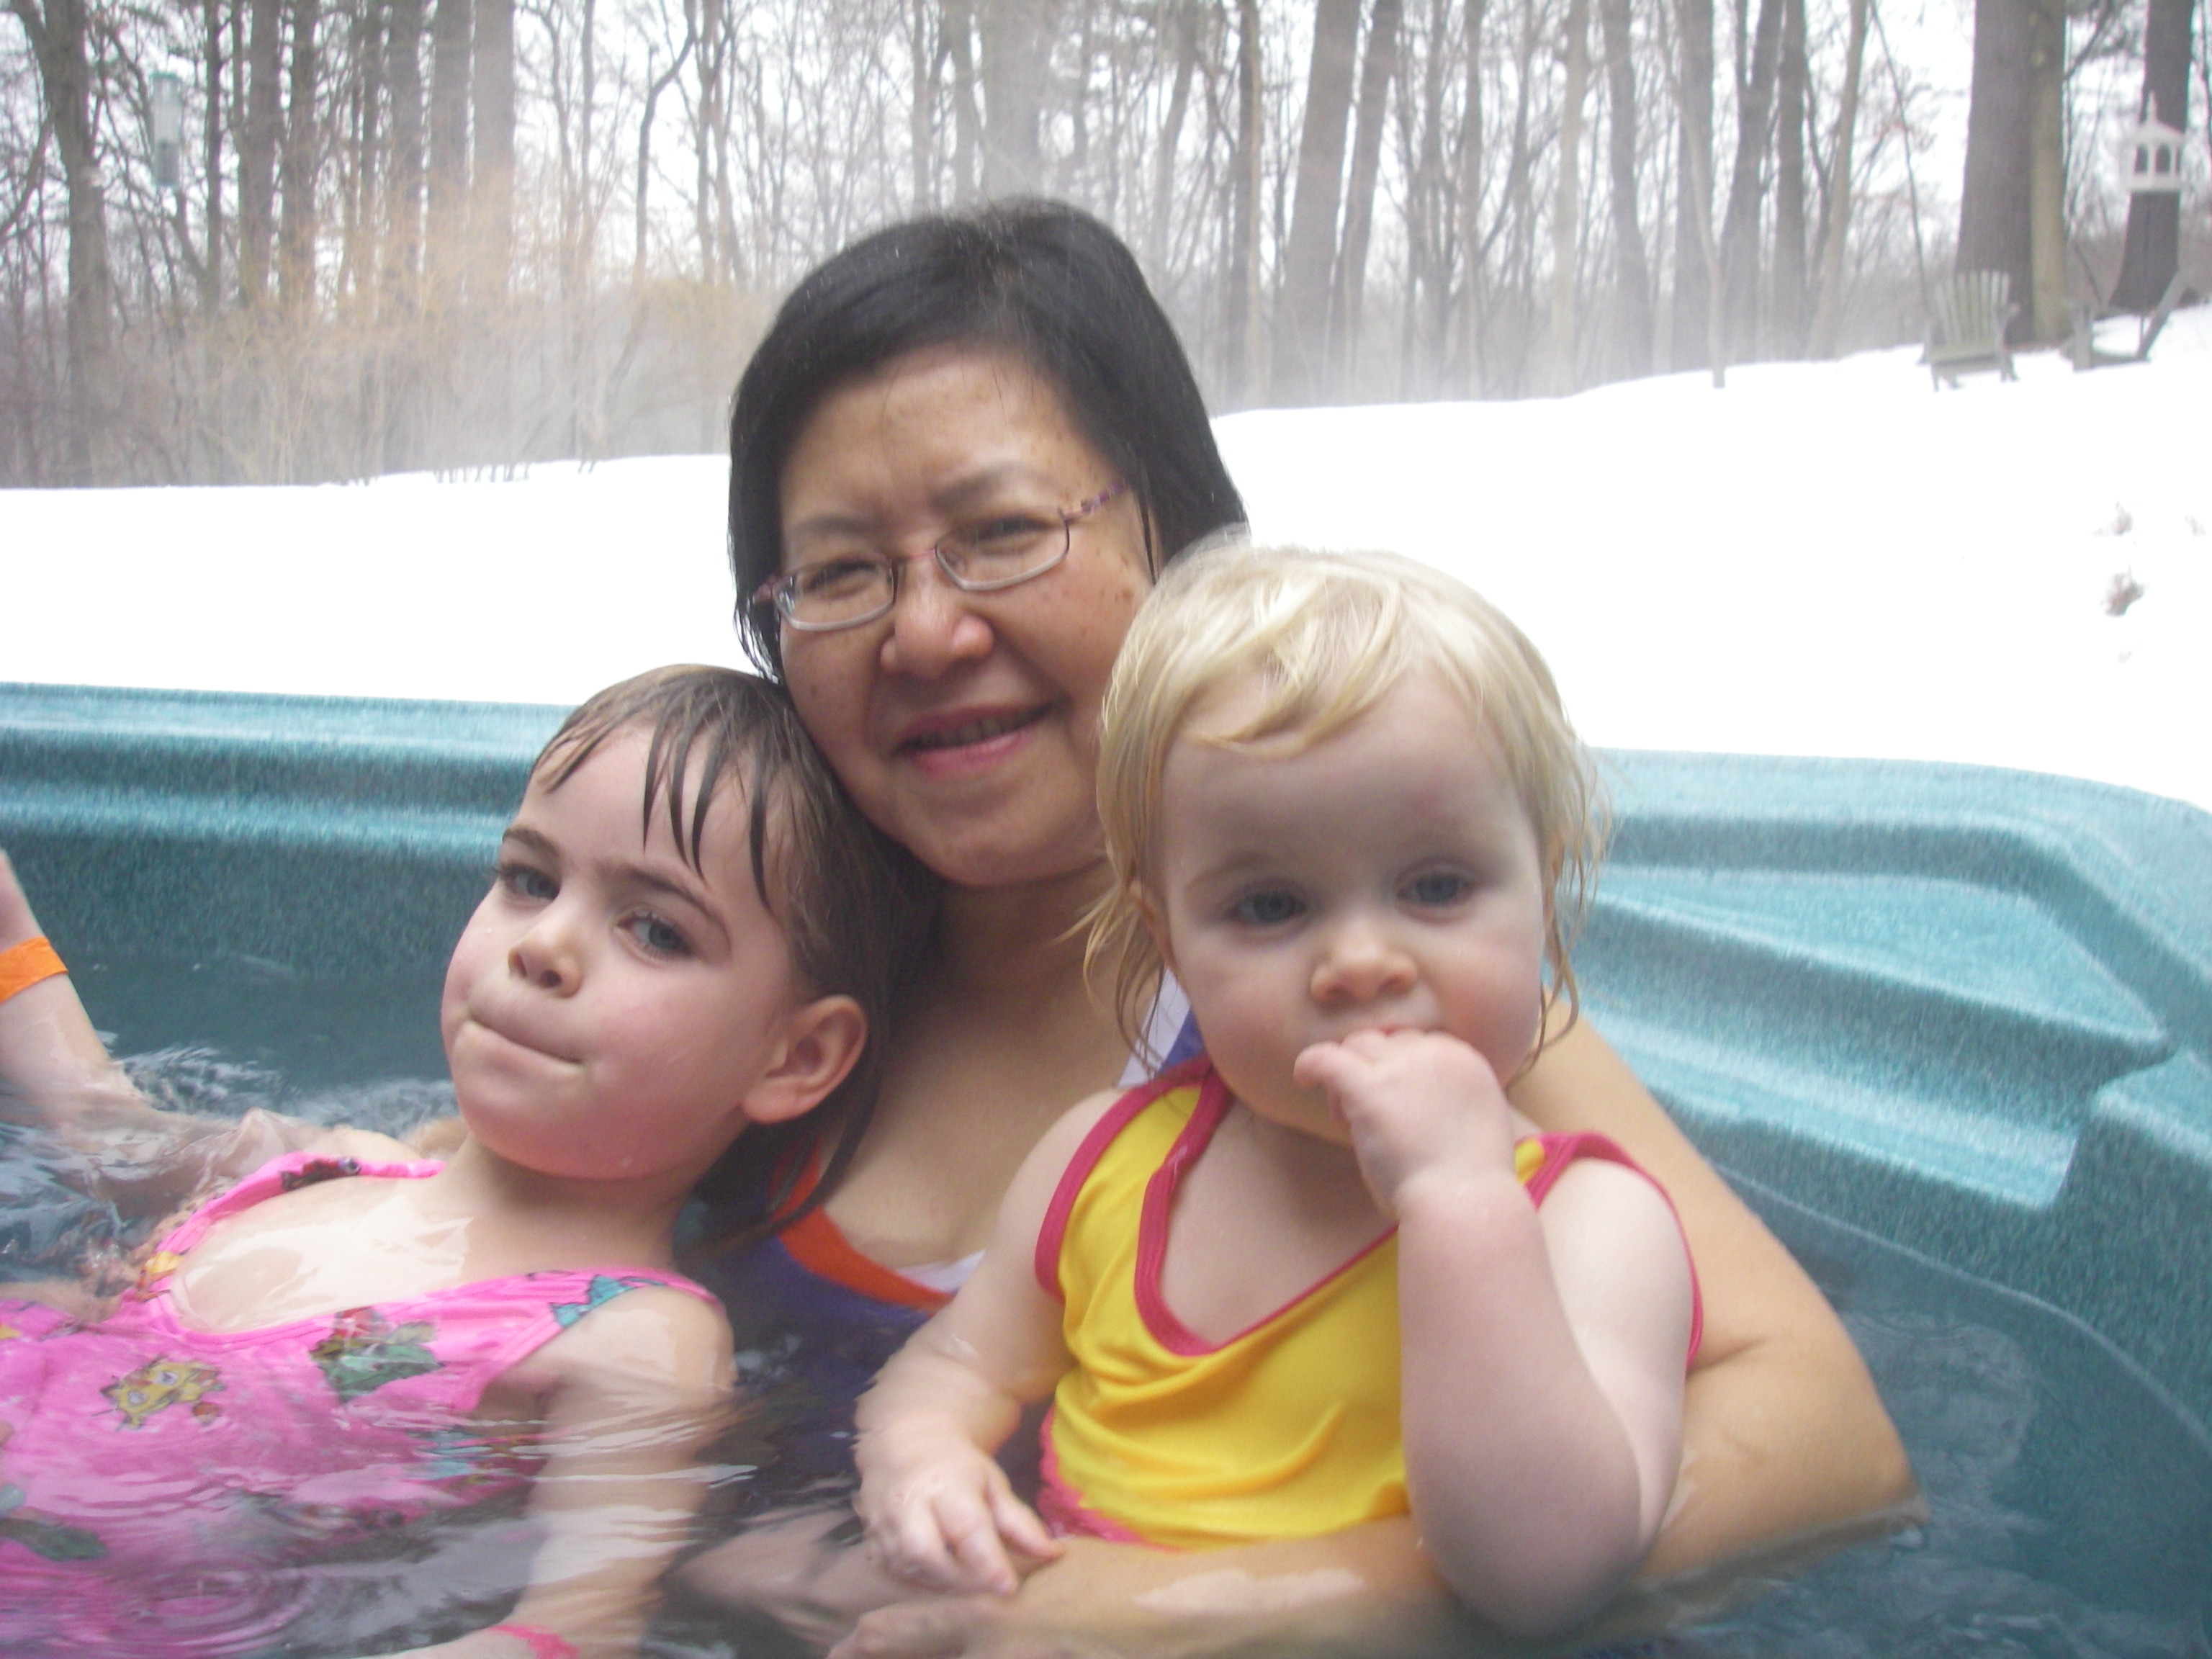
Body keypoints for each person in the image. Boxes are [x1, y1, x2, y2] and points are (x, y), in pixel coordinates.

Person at [685, 199, 1917, 1658]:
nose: (927, 633)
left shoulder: (1405, 1023)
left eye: (1003, 533)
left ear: (1183, 539)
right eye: (839, 573)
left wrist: (1168, 1616)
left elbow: (1829, 1448)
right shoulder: (754, 986)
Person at [851, 545, 1701, 1640]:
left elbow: (1543, 1576)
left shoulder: (1588, 1223)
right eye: (1269, 907)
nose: (1360, 962)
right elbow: (959, 1361)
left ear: (1546, 888)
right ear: (1170, 941)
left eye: (1437, 886)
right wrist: (923, 1460)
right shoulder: (1100, 1167)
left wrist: (1461, 1203)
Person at [0, 666, 928, 1659]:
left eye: (657, 931)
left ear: (794, 1058)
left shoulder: (633, 1338)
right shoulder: (326, 1167)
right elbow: (99, 1124)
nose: (545, 945)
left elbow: (575, 1628)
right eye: (530, 880)